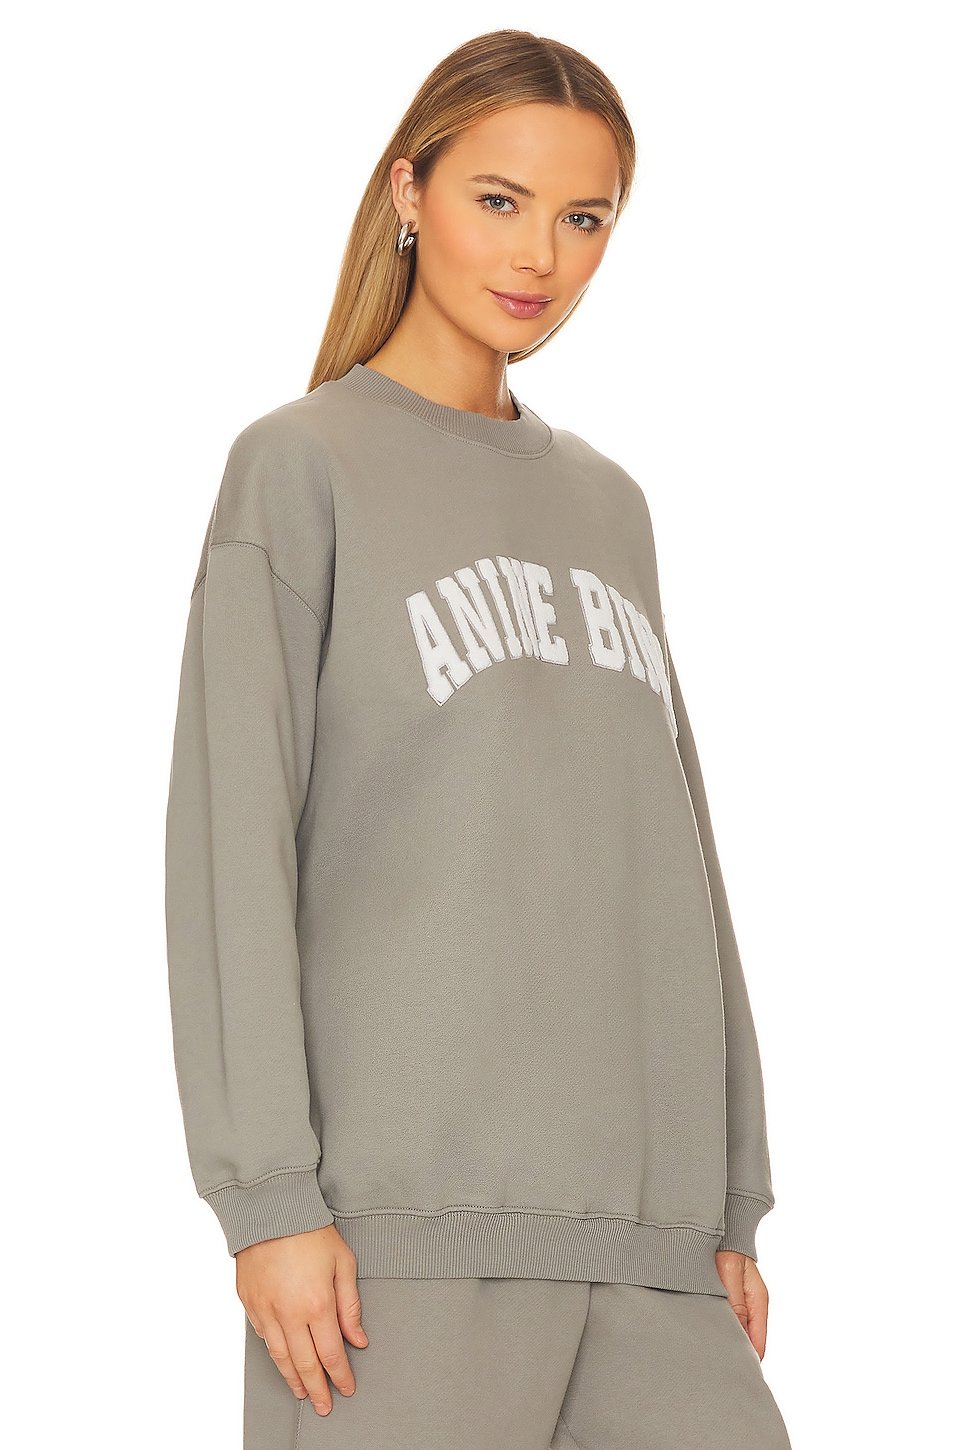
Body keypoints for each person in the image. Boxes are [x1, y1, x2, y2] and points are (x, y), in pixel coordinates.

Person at [164, 28, 793, 1450]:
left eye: (586, 218)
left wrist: (729, 1198)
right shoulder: (302, 466)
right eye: (498, 200)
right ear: (410, 190)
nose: (540, 257)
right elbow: (229, 848)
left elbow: (677, 853)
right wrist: (268, 1202)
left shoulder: (610, 505)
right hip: (394, 1254)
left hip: (654, 1250)